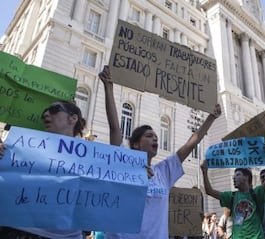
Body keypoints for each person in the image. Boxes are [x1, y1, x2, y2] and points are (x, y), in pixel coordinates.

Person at [99, 66, 222, 239]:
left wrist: (211, 118)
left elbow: (191, 143)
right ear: (135, 144)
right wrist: (108, 87)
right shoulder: (123, 164)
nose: (155, 139)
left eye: (156, 136)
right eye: (149, 136)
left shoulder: (164, 171)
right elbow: (114, 127)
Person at [0, 100, 85, 238]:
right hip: (16, 231)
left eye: (54, 109)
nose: (46, 114)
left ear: (73, 118)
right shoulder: (19, 148)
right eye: (45, 111)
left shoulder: (90, 158)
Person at [200, 146, 265, 239]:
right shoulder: (231, 196)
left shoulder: (257, 193)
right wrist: (204, 172)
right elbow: (209, 191)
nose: (234, 178)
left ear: (246, 177)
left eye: (238, 175)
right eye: (233, 176)